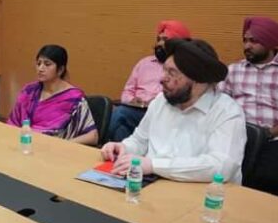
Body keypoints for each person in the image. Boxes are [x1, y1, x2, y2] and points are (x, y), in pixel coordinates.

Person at [101, 38, 246, 183]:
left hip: (204, 193)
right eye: (164, 70)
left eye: (172, 72)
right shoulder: (161, 101)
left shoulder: (227, 111)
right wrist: (124, 148)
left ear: (197, 78)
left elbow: (221, 166)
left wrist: (153, 165)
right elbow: (140, 140)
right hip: (152, 185)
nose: (162, 78)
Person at [220, 17, 278, 198]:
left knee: (268, 179)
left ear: (270, 42)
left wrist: (270, 132)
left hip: (276, 138)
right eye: (245, 40)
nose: (247, 46)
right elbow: (219, 104)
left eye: (253, 41)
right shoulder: (233, 70)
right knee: (221, 171)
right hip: (238, 135)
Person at [107, 20, 191, 141]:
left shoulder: (184, 67)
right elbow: (127, 91)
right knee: (120, 122)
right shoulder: (144, 63)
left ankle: (114, 147)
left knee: (120, 114)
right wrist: (132, 100)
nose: (160, 44)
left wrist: (157, 102)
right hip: (137, 110)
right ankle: (123, 150)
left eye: (165, 40)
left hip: (164, 113)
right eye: (158, 39)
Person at [7, 45, 98, 145]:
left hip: (54, 149)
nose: (40, 68)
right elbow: (12, 125)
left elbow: (92, 136)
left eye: (47, 64)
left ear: (60, 70)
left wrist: (63, 145)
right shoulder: (29, 91)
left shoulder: (74, 98)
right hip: (24, 144)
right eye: (38, 63)